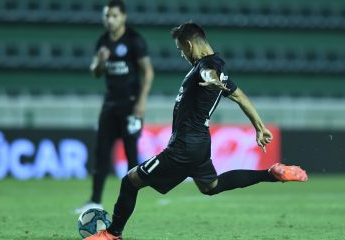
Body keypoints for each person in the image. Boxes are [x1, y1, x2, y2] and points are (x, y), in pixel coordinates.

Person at [85, 22, 308, 240]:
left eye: (181, 50)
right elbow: (239, 95)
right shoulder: (217, 66)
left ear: (190, 45)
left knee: (130, 180)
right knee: (211, 186)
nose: (182, 55)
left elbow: (207, 74)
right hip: (200, 143)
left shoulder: (206, 66)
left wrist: (211, 80)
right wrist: (259, 127)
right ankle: (270, 174)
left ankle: (112, 233)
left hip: (184, 145)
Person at [75, 0, 154, 214]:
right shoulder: (103, 41)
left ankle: (131, 199)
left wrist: (141, 101)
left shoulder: (134, 40)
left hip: (130, 104)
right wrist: (100, 61)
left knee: (130, 153)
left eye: (114, 16)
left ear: (123, 17)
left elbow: (148, 71)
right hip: (110, 104)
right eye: (107, 16)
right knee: (101, 152)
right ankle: (94, 201)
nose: (109, 20)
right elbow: (95, 71)